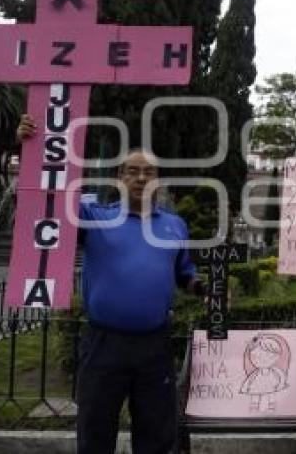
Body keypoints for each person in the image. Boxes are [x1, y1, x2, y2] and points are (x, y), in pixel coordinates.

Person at [17, 114, 207, 454]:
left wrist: (204, 288)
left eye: (149, 172)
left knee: (156, 436)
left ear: (158, 181)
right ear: (120, 178)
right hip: (103, 344)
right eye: (132, 171)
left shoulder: (175, 225)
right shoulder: (93, 217)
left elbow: (184, 273)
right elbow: (47, 198)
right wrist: (31, 148)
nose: (141, 178)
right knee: (95, 433)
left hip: (155, 346)